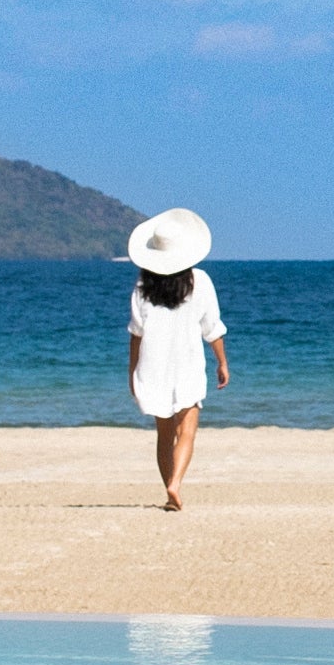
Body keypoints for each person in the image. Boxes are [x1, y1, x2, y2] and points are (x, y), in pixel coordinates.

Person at [121, 207, 232, 509]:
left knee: (164, 433)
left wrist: (133, 371)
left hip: (153, 364)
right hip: (187, 363)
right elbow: (212, 328)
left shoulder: (144, 287)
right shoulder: (200, 281)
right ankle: (176, 484)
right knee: (188, 431)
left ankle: (168, 489)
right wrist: (222, 362)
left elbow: (136, 334)